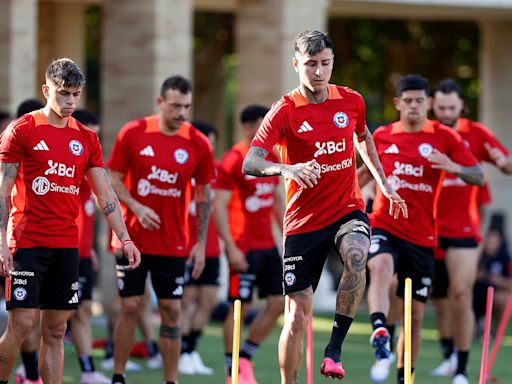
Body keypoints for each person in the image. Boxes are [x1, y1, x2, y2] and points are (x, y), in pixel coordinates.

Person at [242, 30, 407, 383]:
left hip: (347, 208)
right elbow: (251, 162)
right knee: (297, 315)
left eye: (325, 64)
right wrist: (289, 169)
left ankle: (334, 349)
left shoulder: (351, 100)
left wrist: (382, 182)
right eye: (311, 64)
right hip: (303, 221)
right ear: (296, 64)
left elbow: (364, 138)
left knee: (358, 255)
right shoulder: (284, 111)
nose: (319, 72)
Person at [0, 58, 140, 384]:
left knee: (57, 328)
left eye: (76, 95)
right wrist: (1, 244)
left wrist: (126, 238)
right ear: (47, 90)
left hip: (66, 246)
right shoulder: (22, 130)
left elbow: (105, 195)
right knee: (21, 324)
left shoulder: (87, 139)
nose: (70, 102)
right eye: (64, 94)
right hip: (26, 242)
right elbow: (3, 191)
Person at [361, 74, 484, 384]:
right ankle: (379, 327)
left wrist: (453, 167)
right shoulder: (383, 135)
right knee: (380, 267)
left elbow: (478, 174)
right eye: (408, 101)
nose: (414, 106)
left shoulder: (444, 137)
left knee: (414, 316)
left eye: (419, 101)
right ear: (397, 104)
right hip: (385, 223)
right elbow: (363, 174)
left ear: (428, 103)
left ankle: (405, 377)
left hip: (422, 236)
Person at [107, 75, 215, 384]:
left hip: (173, 243)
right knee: (130, 306)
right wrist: (137, 207)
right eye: (175, 106)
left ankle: (171, 380)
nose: (181, 113)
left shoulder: (198, 143)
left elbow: (204, 195)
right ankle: (118, 376)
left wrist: (200, 243)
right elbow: (112, 180)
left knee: (171, 309)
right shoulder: (133, 133)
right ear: (159, 103)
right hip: (131, 240)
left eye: (186, 107)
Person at [430, 79, 512, 384]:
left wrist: (504, 164)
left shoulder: (476, 134)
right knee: (438, 301)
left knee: (460, 294)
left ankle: (462, 368)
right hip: (428, 230)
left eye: (452, 107)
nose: (447, 112)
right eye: (441, 108)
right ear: (432, 106)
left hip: (464, 232)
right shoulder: (426, 133)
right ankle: (448, 355)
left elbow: (504, 163)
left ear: (461, 106)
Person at [215, 105, 285, 384]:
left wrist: (289, 234)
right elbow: (219, 206)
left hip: (267, 244)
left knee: (278, 302)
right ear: (245, 127)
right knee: (238, 307)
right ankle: (231, 367)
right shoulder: (233, 160)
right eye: (258, 125)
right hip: (241, 246)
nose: (263, 131)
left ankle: (245, 356)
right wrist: (230, 247)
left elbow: (276, 199)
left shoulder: (272, 156)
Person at [69, 109, 111, 384]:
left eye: (96, 132)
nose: (91, 138)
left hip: (82, 254)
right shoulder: (66, 164)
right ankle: (28, 368)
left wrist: (91, 248)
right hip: (58, 249)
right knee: (40, 317)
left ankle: (87, 370)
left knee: (82, 310)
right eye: (88, 131)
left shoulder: (91, 163)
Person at [179, 120, 221, 376]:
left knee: (209, 299)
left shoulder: (215, 172)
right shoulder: (182, 170)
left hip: (211, 247)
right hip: (184, 245)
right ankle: (181, 352)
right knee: (186, 300)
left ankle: (191, 349)